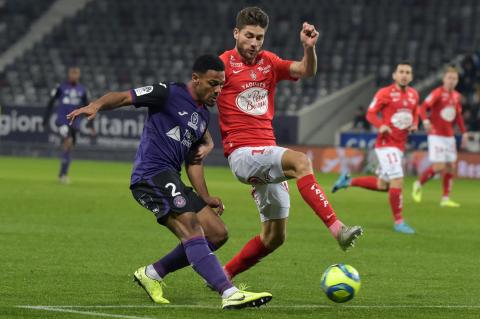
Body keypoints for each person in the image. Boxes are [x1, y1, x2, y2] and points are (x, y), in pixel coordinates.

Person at [66, 54, 272, 309]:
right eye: (212, 83)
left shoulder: (203, 117)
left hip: (172, 176)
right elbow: (122, 96)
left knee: (218, 233)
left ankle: (152, 274)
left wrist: (204, 196)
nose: (218, 90)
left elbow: (194, 161)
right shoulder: (167, 92)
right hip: (151, 175)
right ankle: (228, 292)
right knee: (192, 228)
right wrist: (96, 105)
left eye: (221, 84)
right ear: (195, 79)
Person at [216, 7, 363, 281]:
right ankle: (337, 229)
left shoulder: (268, 62)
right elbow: (200, 94)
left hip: (266, 153)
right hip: (242, 153)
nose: (254, 43)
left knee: (274, 237)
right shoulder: (222, 64)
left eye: (259, 37)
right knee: (301, 161)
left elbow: (306, 70)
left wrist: (309, 48)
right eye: (249, 36)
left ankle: (223, 275)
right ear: (236, 33)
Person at [332, 62, 419, 234]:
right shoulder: (385, 93)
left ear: (411, 76)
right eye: (401, 71)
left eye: (407, 72)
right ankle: (399, 222)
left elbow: (415, 112)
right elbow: (370, 113)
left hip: (399, 146)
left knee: (383, 185)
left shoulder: (414, 94)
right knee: (398, 180)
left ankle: (348, 181)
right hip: (387, 145)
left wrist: (415, 124)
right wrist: (381, 126)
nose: (404, 75)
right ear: (394, 75)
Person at [412, 67, 469, 207]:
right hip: (436, 134)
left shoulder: (456, 96)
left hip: (449, 136)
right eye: (449, 78)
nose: (451, 81)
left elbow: (458, 116)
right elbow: (423, 107)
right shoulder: (437, 93)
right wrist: (425, 121)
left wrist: (464, 132)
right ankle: (418, 184)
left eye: (454, 78)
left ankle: (445, 199)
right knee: (439, 166)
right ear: (444, 79)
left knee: (450, 166)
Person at [43, 66, 92, 184]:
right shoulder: (61, 88)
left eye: (76, 73)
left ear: (79, 75)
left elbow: (89, 107)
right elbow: (51, 102)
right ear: (69, 74)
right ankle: (63, 175)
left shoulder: (83, 90)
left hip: (75, 123)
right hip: (62, 121)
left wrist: (91, 124)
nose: (74, 75)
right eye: (72, 73)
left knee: (70, 148)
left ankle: (63, 172)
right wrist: (45, 119)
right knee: (68, 141)